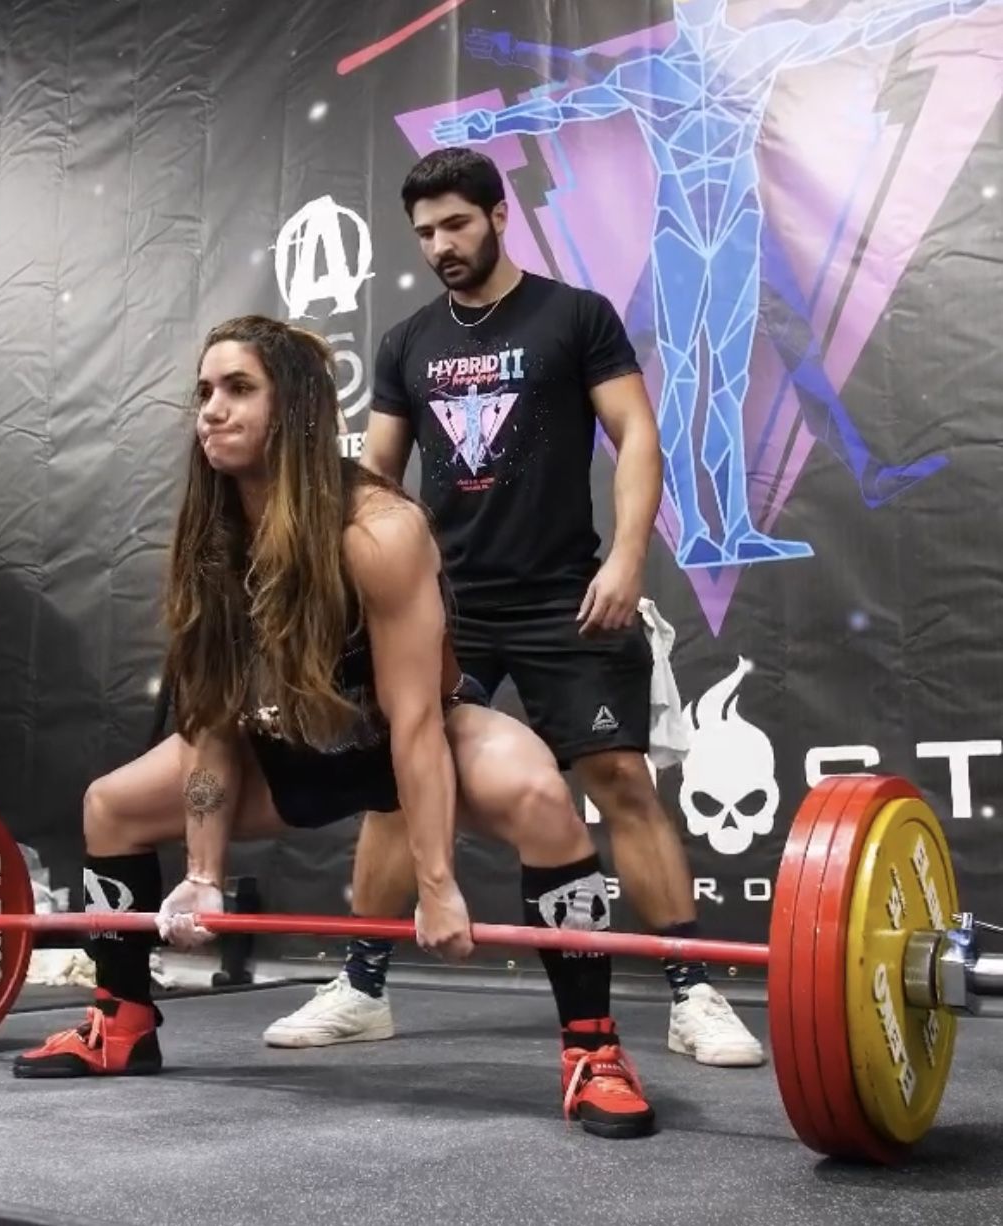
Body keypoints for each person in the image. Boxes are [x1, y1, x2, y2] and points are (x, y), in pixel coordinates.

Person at [13, 316, 656, 1139]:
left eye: (239, 389)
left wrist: (435, 883)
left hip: (398, 741)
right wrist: (204, 873)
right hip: (282, 747)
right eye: (204, 392)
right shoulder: (209, 537)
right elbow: (210, 711)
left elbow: (417, 719)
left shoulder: (377, 529)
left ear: (299, 407)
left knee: (538, 795)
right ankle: (122, 1020)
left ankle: (592, 1051)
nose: (211, 409)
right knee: (112, 806)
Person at [262, 148, 764, 1068]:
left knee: (620, 784)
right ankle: (365, 984)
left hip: (567, 597)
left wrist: (624, 558)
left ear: (499, 215)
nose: (440, 245)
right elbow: (374, 479)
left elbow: (637, 434)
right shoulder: (408, 341)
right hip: (442, 606)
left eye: (456, 224)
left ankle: (693, 990)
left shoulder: (574, 316)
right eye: (423, 233)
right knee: (389, 786)